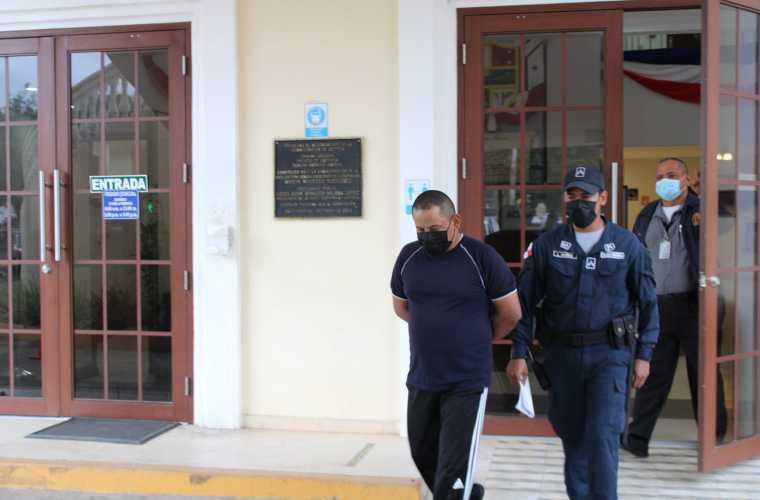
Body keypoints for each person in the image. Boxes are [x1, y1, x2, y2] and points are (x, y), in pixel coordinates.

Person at [507, 165, 659, 500]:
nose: (578, 202)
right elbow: (525, 304)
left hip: (610, 357)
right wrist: (518, 352)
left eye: (586, 195)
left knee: (602, 436)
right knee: (573, 437)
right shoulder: (547, 246)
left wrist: (644, 355)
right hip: (562, 357)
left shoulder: (627, 245)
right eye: (571, 195)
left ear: (602, 198)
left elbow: (649, 304)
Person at [391, 190, 522, 500]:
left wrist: (480, 337)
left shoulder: (481, 257)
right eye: (421, 230)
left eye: (435, 229)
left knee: (453, 467)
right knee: (422, 451)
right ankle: (467, 494)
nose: (427, 236)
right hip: (423, 375)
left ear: (455, 221)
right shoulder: (409, 257)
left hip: (466, 379)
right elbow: (402, 308)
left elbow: (511, 313)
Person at [623, 157, 728, 458]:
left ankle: (713, 438)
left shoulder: (699, 210)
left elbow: (723, 224)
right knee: (653, 373)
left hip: (695, 304)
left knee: (703, 373)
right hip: (657, 306)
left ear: (685, 179)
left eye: (671, 175)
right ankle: (637, 439)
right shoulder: (647, 214)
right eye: (659, 177)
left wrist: (703, 197)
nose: (664, 181)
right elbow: (637, 255)